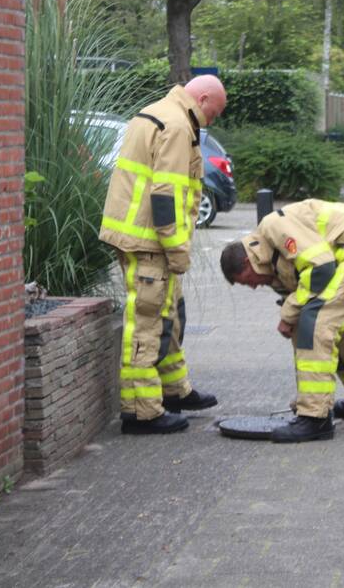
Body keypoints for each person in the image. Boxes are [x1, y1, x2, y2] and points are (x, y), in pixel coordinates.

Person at [99, 75, 227, 435]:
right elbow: (165, 196)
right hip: (150, 243)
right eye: (214, 113)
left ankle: (173, 390)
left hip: (139, 236)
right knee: (147, 323)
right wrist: (177, 250)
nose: (212, 121)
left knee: (168, 312)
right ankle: (141, 412)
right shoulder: (176, 126)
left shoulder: (156, 112)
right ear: (203, 98)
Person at [220, 199, 344, 443]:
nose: (253, 287)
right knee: (343, 335)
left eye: (247, 280)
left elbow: (321, 269)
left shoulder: (273, 227)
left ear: (247, 261)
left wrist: (289, 314)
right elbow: (303, 296)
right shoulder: (272, 265)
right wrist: (292, 317)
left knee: (317, 323)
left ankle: (315, 418)